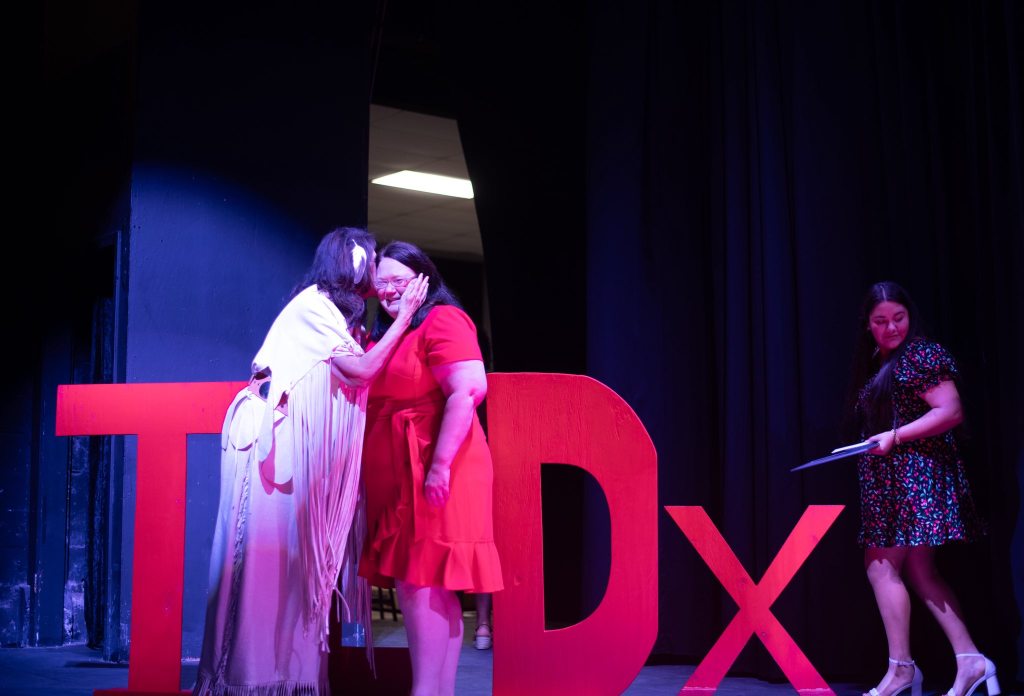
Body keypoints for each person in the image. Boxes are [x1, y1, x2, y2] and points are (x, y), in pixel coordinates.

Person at [194, 227, 428, 696]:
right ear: (351, 262)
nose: (377, 271)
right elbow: (361, 371)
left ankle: (286, 678)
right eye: (372, 261)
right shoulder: (315, 306)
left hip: (297, 453)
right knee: (264, 565)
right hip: (272, 447)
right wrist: (403, 318)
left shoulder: (338, 318)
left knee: (293, 569)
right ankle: (245, 679)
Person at [358, 241, 504, 696]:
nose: (388, 291)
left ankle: (423, 691)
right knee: (430, 584)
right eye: (381, 283)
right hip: (403, 474)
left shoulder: (442, 320)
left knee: (422, 580)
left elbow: (468, 389)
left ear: (424, 279)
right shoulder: (389, 332)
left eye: (398, 281)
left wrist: (439, 466)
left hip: (438, 466)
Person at [843, 281, 998, 696]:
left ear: (910, 316)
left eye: (899, 318)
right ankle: (971, 660)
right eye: (880, 321)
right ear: (867, 325)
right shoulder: (881, 361)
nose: (892, 327)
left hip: (914, 480)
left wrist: (895, 436)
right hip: (897, 481)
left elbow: (950, 410)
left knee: (881, 566)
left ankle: (901, 670)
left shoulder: (919, 355)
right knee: (919, 571)